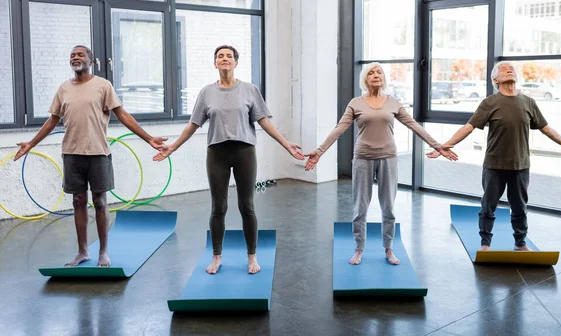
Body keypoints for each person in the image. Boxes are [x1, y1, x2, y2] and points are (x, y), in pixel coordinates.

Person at [153, 45, 304, 275]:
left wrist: (286, 144)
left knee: (247, 206)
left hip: (244, 152)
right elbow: (193, 125)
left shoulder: (250, 90)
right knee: (218, 207)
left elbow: (264, 121)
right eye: (220, 56)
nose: (225, 59)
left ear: (236, 62)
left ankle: (252, 257)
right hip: (217, 154)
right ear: (215, 63)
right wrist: (172, 147)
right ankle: (216, 256)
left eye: (229, 56)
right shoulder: (206, 93)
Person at [13, 45, 167, 267]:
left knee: (100, 202)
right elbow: (52, 121)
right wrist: (31, 143)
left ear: (90, 61)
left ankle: (103, 251)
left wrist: (149, 138)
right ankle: (82, 251)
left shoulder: (103, 85)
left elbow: (122, 115)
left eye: (80, 55)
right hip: (72, 153)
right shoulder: (64, 88)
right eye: (72, 55)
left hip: (98, 152)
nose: (75, 58)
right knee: (78, 201)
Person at [427, 61, 561, 251]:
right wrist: (443, 147)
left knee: (520, 208)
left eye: (512, 68)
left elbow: (547, 129)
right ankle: (485, 244)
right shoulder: (489, 103)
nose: (509, 69)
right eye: (504, 68)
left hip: (520, 166)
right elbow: (468, 127)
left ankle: (520, 243)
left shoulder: (528, 102)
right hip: (494, 165)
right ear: (495, 79)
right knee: (488, 207)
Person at [304, 63, 457, 265]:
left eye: (379, 72)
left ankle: (389, 248)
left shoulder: (393, 102)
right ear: (365, 80)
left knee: (389, 207)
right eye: (371, 73)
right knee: (360, 207)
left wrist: (438, 146)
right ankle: (359, 249)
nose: (376, 75)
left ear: (383, 78)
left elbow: (414, 126)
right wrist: (319, 152)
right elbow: (339, 129)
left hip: (388, 158)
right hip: (362, 158)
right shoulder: (356, 103)